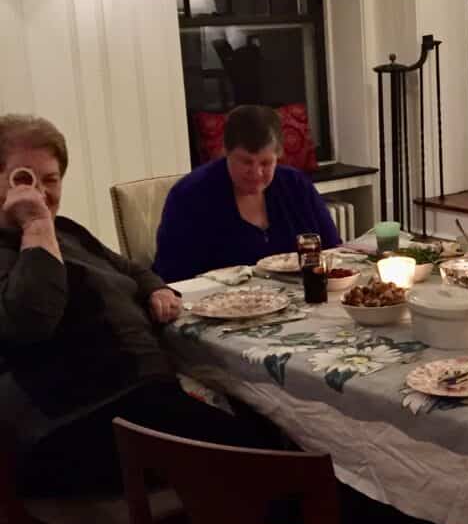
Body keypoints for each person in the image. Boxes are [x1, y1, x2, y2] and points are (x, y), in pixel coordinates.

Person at [0, 114, 277, 497]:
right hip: (78, 425)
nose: (42, 194)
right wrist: (34, 227)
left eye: (51, 180)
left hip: (145, 396)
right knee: (271, 467)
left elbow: (129, 268)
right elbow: (32, 320)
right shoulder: (34, 237)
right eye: (24, 179)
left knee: (273, 425)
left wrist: (155, 290)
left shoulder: (67, 232)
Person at [154, 105, 339, 282]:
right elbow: (173, 275)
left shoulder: (296, 185)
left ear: (278, 156)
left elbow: (333, 250)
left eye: (266, 163)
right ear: (225, 152)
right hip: (217, 304)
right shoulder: (190, 195)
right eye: (246, 162)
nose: (256, 173)